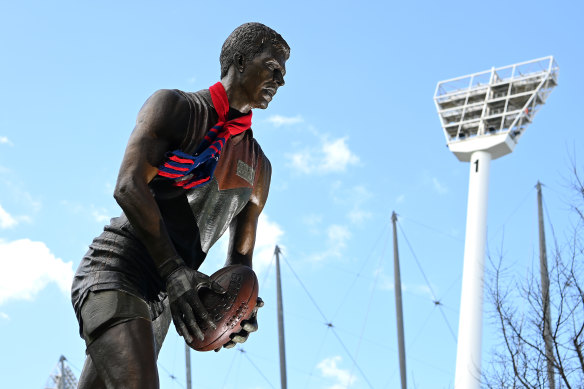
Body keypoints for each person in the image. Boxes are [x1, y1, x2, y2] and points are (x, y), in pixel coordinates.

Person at [71, 22, 289, 388]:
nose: (280, 81)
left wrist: (240, 309)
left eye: (283, 74)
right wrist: (173, 269)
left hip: (165, 300)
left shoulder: (259, 169)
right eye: (273, 67)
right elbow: (128, 185)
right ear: (240, 60)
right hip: (117, 271)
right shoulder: (177, 108)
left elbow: (239, 264)